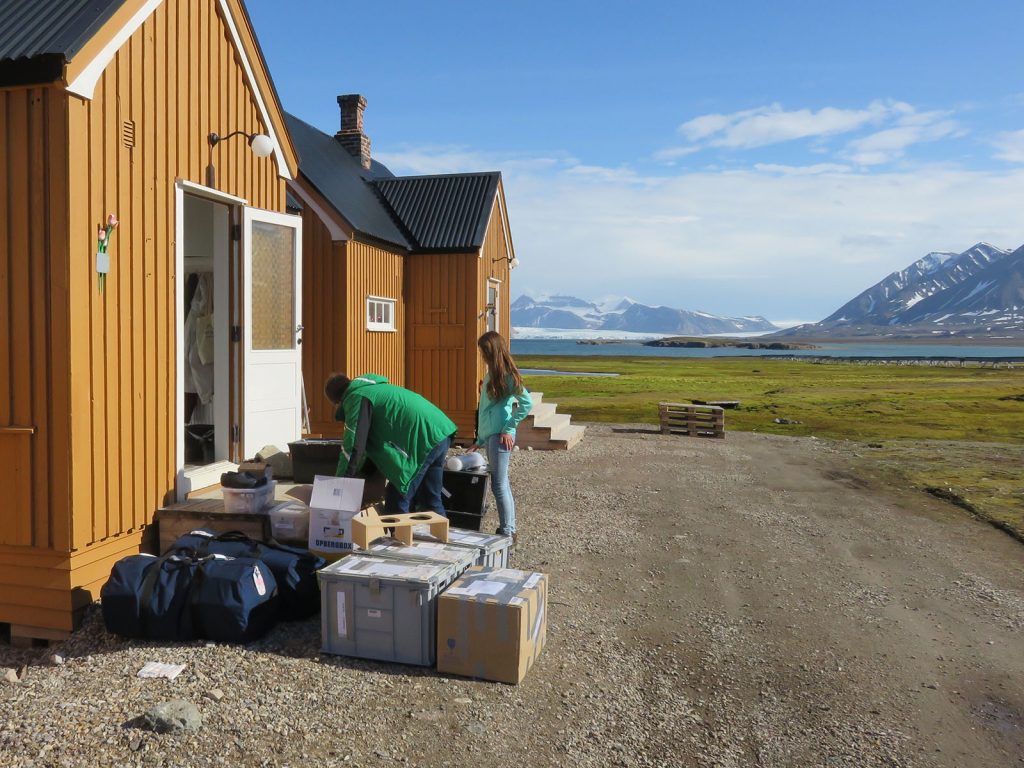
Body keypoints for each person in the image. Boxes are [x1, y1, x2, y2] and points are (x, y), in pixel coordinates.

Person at [325, 373, 457, 516]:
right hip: (440, 432)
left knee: (396, 501)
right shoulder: (374, 389)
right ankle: (441, 537)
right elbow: (369, 443)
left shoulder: (356, 397)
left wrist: (340, 485)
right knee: (430, 499)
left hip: (423, 441)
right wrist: (365, 472)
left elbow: (353, 445)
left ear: (337, 402)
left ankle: (397, 538)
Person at [468, 331, 533, 542]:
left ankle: (507, 530)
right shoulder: (491, 374)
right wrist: (479, 440)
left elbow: (527, 403)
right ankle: (509, 528)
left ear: (492, 351)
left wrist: (509, 427)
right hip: (491, 436)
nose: (481, 355)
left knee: (499, 483)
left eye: (483, 351)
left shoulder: (507, 375)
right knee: (501, 483)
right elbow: (486, 409)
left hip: (500, 436)